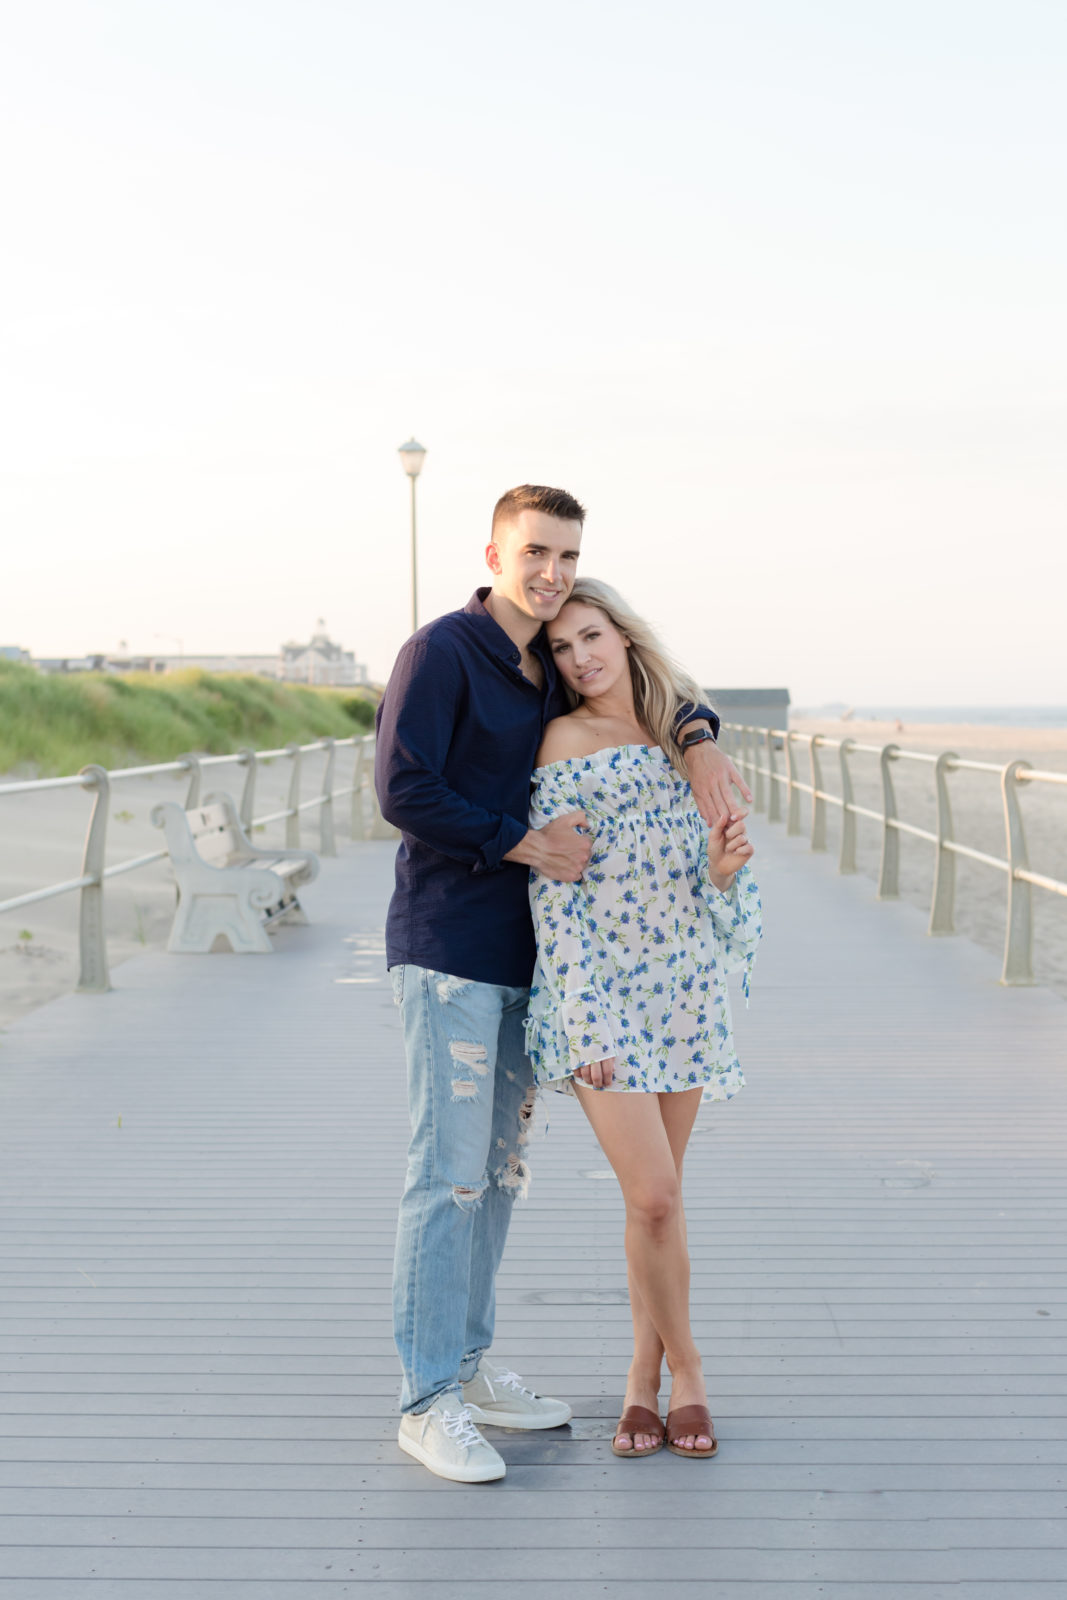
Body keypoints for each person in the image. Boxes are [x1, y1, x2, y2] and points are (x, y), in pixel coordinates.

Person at [374, 484, 751, 1483]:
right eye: (534, 552)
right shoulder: (444, 651)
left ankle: (469, 1366)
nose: (549, 573)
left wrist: (702, 734)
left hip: (527, 968)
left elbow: (647, 693)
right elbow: (399, 787)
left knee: (495, 1178)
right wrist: (522, 840)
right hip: (450, 950)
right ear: (494, 550)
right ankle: (425, 1398)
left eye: (566, 556)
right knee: (445, 1176)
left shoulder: (541, 663)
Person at [524, 577, 762, 1460]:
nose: (579, 657)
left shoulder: (681, 737)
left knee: (655, 1207)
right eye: (560, 647)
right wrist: (583, 1021)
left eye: (590, 636)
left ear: (623, 638)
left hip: (685, 992)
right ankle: (688, 1374)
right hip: (602, 999)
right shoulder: (557, 740)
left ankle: (639, 1382)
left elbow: (715, 895)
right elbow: (554, 895)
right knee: (653, 1194)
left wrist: (726, 869)